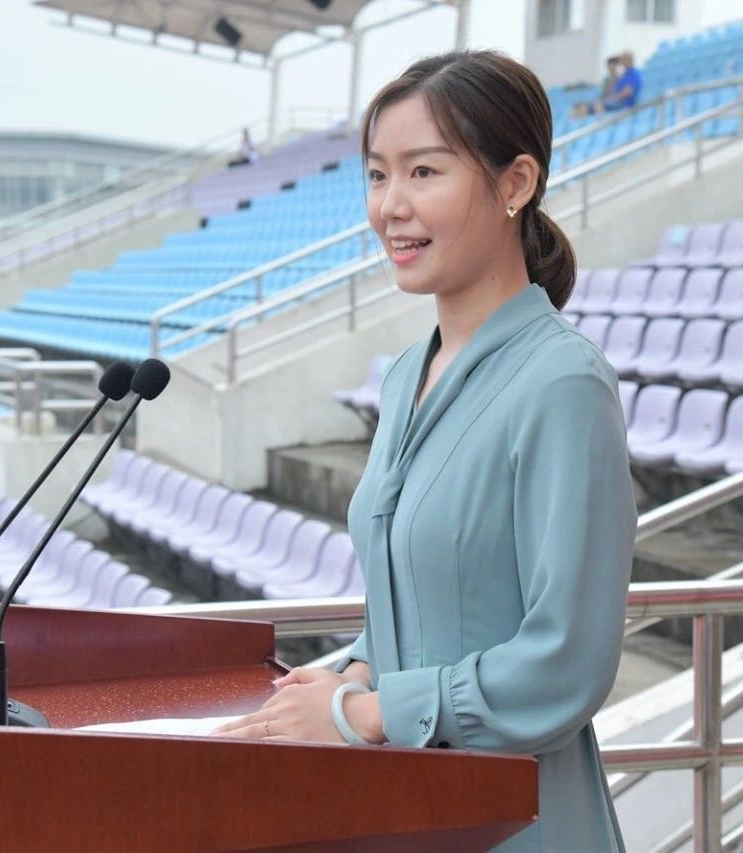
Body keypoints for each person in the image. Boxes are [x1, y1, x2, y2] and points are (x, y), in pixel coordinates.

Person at [212, 50, 637, 852]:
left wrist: (364, 713)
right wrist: (352, 673)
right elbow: (414, 608)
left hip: (517, 817)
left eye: (424, 172)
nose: (390, 207)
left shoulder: (563, 384)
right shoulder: (409, 371)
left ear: (516, 183)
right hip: (409, 806)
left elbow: (565, 661)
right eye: (377, 175)